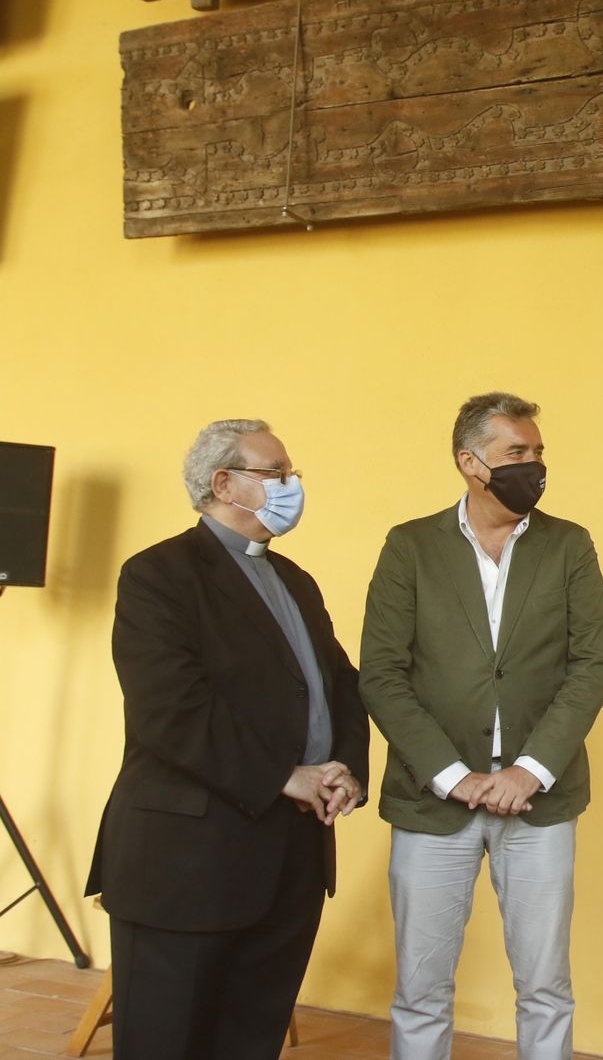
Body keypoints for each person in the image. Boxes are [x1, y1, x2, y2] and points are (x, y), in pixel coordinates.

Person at [86, 418, 368, 1060]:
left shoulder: (296, 579)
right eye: (277, 474)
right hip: (185, 863)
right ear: (224, 483)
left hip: (291, 856)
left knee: (251, 1039)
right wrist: (286, 774)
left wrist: (344, 767)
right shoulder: (159, 574)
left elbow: (340, 686)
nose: (293, 486)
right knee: (166, 1040)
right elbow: (172, 711)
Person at [361, 392, 603, 1060]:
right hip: (432, 803)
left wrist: (529, 770)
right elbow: (382, 674)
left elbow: (591, 666)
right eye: (516, 454)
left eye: (538, 453)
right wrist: (453, 777)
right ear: (471, 463)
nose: (534, 466)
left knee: (546, 987)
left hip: (541, 801)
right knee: (420, 990)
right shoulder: (409, 547)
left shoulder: (569, 546)